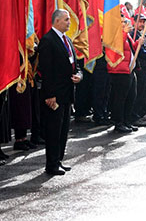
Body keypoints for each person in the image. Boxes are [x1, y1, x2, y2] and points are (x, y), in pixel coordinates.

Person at [38, 9, 82, 175]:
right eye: (66, 20)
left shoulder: (67, 40)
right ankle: (51, 164)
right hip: (55, 95)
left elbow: (76, 65)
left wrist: (79, 75)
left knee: (63, 130)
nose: (69, 22)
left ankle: (59, 160)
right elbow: (46, 70)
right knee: (53, 130)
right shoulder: (48, 41)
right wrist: (50, 95)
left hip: (67, 93)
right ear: (56, 21)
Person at [108, 19, 139, 133]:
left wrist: (138, 43)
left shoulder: (126, 35)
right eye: (122, 22)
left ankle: (127, 121)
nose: (125, 24)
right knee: (120, 98)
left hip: (129, 70)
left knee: (131, 97)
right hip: (120, 71)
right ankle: (118, 123)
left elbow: (131, 49)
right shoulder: (115, 34)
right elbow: (117, 46)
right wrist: (125, 32)